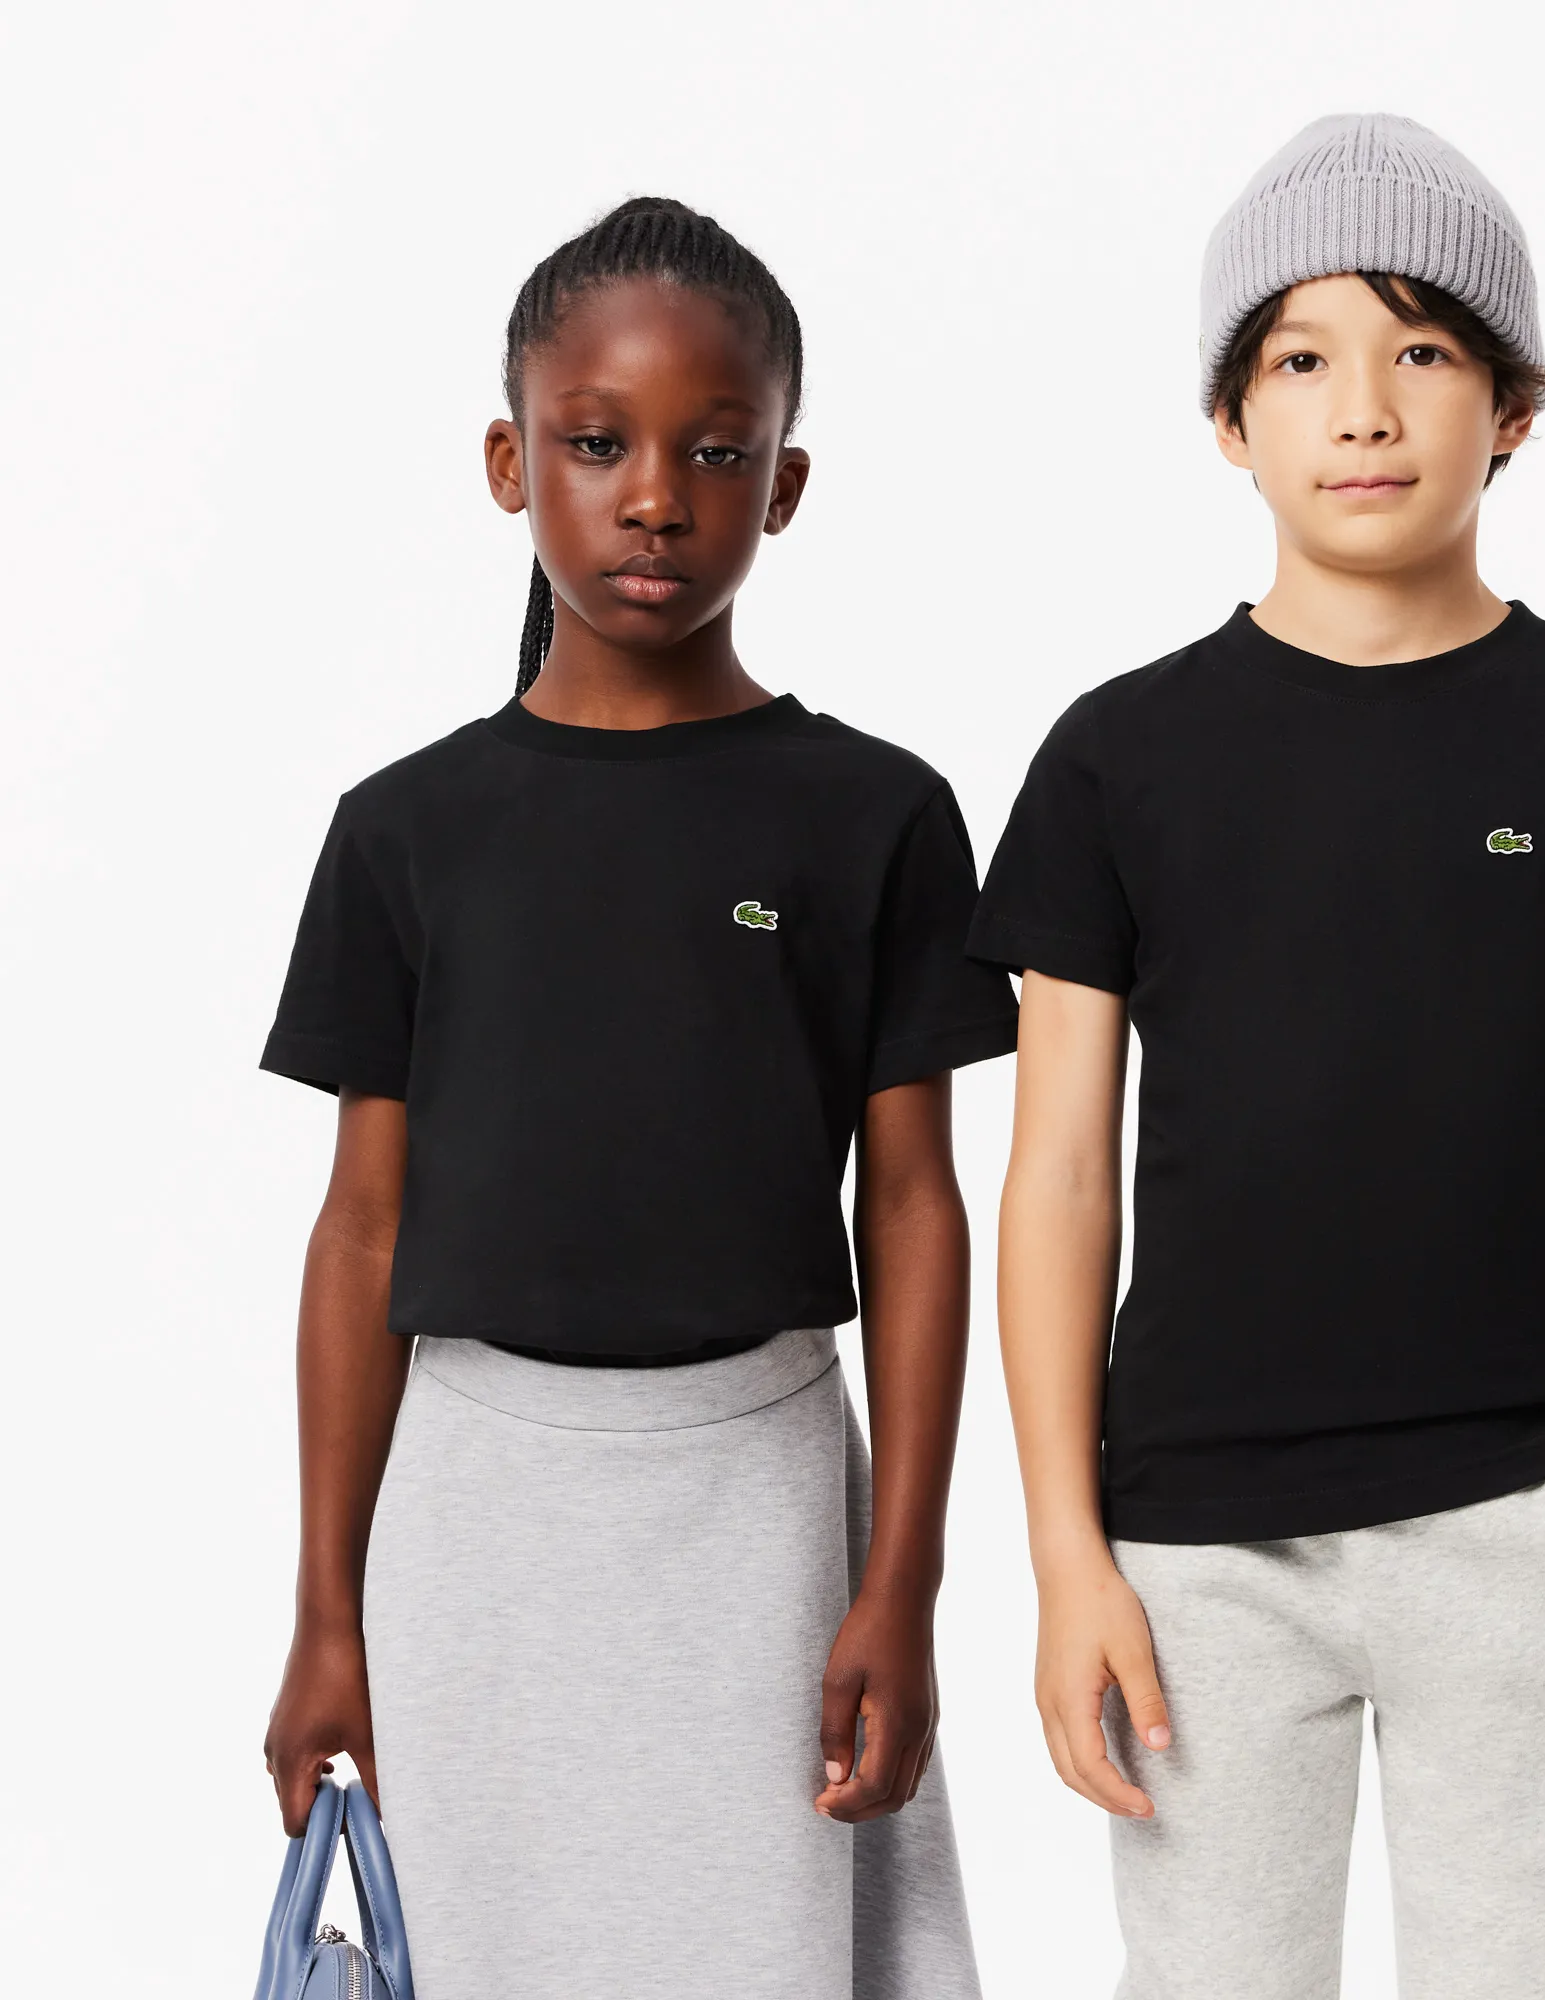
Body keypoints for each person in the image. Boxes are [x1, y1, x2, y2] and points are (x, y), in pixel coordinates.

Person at [969, 114, 1545, 1998]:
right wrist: (1066, 1553)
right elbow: (1058, 1175)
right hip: (1196, 1552)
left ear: (1514, 408)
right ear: (1229, 418)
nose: (1362, 408)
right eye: (1300, 358)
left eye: (1422, 348)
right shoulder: (1115, 758)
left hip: (1530, 1527)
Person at [259, 196, 1014, 2000]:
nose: (657, 497)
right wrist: (325, 1610)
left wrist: (901, 1582)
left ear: (787, 483)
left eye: (716, 451)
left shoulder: (875, 816)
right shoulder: (409, 831)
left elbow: (914, 1206)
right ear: (511, 463)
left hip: (763, 1498)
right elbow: (364, 1225)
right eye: (598, 444)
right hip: (477, 1515)